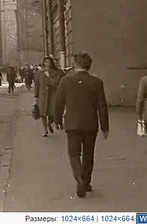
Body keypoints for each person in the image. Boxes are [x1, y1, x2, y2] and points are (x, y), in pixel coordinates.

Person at [54, 52, 109, 198]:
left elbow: (58, 102)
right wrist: (105, 127)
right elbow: (102, 106)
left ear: (75, 65)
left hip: (72, 123)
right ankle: (86, 181)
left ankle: (79, 176)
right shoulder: (97, 82)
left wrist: (57, 120)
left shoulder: (66, 81)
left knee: (73, 153)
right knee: (88, 154)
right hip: (91, 124)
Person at [34, 56, 64, 136]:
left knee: (53, 113)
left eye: (48, 62)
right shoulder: (39, 73)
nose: (47, 64)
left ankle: (49, 123)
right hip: (43, 96)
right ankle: (45, 130)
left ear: (51, 63)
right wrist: (36, 96)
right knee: (43, 113)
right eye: (45, 62)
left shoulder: (55, 72)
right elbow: (37, 84)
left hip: (52, 96)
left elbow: (54, 82)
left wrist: (48, 76)